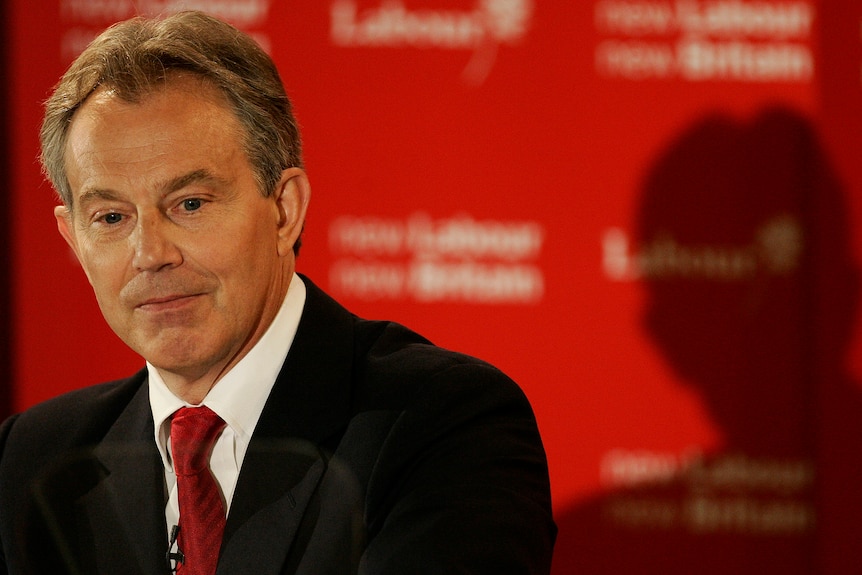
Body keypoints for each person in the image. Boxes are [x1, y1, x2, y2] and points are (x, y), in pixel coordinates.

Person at [0, 11, 555, 575]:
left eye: (190, 203)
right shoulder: (33, 460)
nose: (150, 254)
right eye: (112, 216)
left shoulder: (443, 426)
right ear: (73, 239)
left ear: (284, 210)